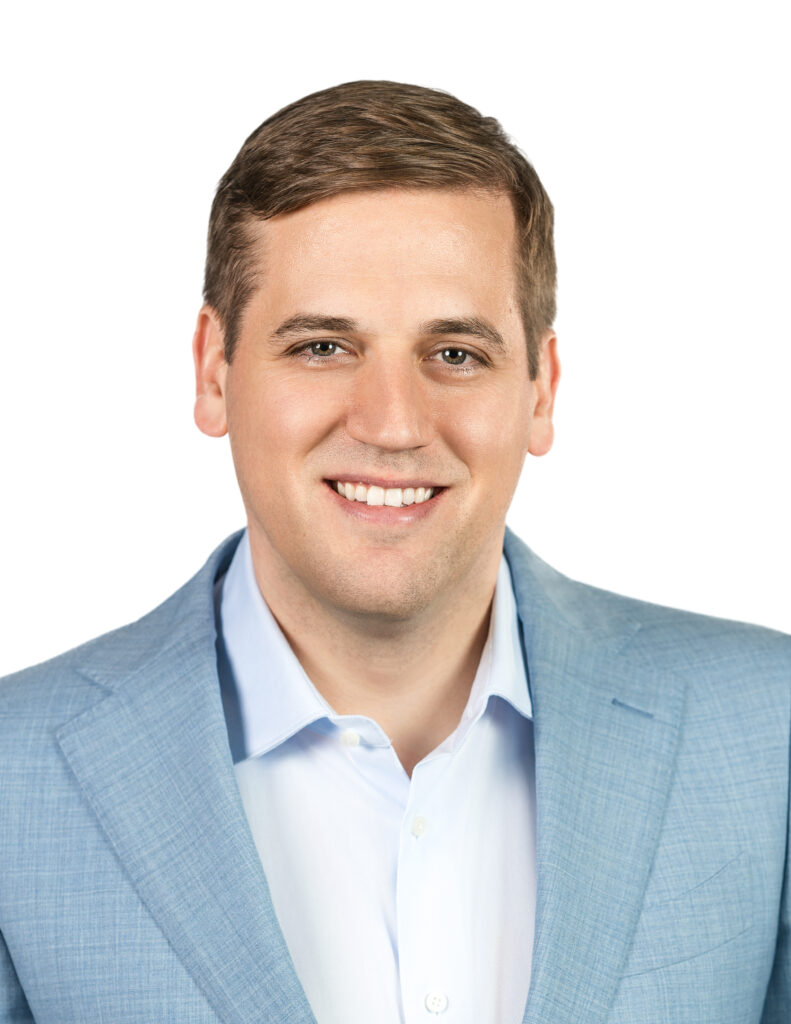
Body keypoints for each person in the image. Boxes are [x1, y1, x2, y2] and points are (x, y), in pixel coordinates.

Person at [0, 79, 788, 1024]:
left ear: (540, 392)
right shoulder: (17, 777)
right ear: (213, 371)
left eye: (454, 353)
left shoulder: (768, 734)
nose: (393, 423)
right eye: (324, 347)